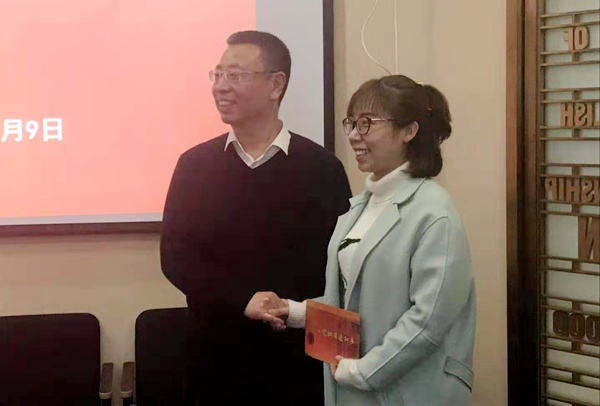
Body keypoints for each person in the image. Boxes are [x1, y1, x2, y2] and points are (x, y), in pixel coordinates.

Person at [247, 74, 476, 406]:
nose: (354, 135)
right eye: (352, 123)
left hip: (411, 389)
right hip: (355, 384)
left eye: (367, 123)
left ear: (408, 131)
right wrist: (293, 311)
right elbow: (354, 302)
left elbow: (429, 321)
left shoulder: (433, 212)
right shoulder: (359, 208)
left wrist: (364, 371)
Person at [159, 30, 352, 405]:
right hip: (215, 363)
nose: (221, 86)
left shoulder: (322, 169)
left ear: (276, 85)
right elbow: (176, 259)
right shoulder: (194, 166)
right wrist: (242, 301)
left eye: (235, 75)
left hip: (298, 365)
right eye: (217, 74)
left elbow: (338, 271)